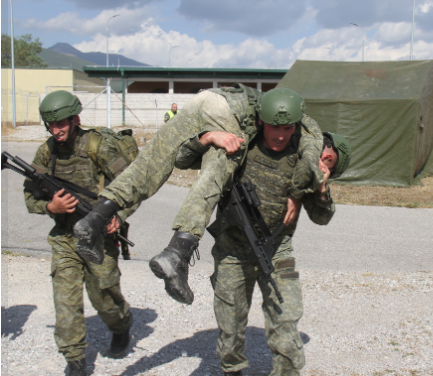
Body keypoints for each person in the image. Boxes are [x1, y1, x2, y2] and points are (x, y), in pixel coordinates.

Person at [74, 85, 325, 306]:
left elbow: (182, 159)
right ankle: (177, 252)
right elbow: (311, 161)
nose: (281, 135)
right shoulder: (307, 127)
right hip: (227, 111)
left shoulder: (270, 104)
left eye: (286, 128)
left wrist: (206, 137)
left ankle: (96, 218)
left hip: (205, 98)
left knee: (150, 162)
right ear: (262, 120)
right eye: (275, 127)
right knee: (217, 170)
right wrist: (295, 193)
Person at [198, 123, 350, 375]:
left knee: (286, 316)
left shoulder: (308, 172)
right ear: (324, 143)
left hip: (277, 251)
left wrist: (321, 187)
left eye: (329, 164)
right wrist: (209, 136)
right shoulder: (271, 137)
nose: (323, 161)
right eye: (326, 156)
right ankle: (232, 369)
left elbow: (322, 218)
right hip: (233, 251)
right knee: (230, 323)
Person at [23, 91, 138, 376]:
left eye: (61, 123)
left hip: (100, 236)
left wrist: (117, 216)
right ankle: (75, 361)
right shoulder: (46, 152)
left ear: (76, 119)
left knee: (104, 296)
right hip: (64, 238)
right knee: (65, 300)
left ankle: (121, 325)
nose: (56, 130)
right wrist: (51, 206)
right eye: (51, 125)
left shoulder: (97, 147)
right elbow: (29, 196)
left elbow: (133, 185)